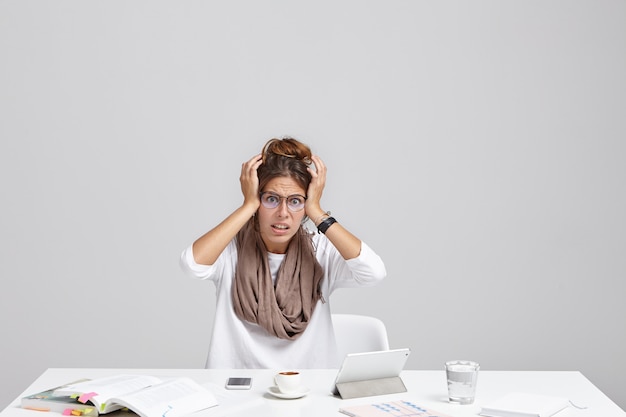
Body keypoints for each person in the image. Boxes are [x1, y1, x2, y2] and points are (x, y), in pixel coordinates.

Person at [179, 137, 386, 368]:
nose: (283, 213)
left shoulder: (321, 251)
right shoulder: (230, 249)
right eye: (271, 199)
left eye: (296, 201)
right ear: (258, 199)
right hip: (236, 389)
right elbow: (192, 264)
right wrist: (247, 206)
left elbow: (374, 273)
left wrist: (317, 212)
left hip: (309, 390)